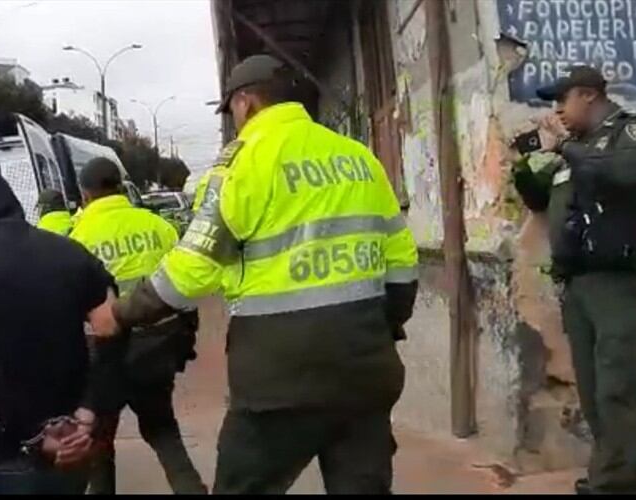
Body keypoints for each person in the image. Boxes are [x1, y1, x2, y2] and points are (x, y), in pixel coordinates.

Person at [94, 54, 420, 494]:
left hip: (278, 380)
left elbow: (193, 269)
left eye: (231, 110)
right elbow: (401, 263)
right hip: (365, 369)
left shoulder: (239, 165)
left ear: (245, 102)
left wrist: (122, 313)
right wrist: (380, 329)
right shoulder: (358, 157)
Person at [0, 168, 118, 495]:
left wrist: (34, 435)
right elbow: (111, 330)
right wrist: (88, 410)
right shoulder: (71, 254)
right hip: (70, 441)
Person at [512, 65, 636, 495]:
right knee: (593, 393)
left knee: (619, 389)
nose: (557, 110)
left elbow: (631, 172)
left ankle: (612, 484)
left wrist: (566, 147)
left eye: (563, 100)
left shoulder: (629, 133)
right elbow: (538, 196)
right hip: (579, 285)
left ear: (588, 95)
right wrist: (524, 161)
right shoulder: (574, 152)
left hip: (621, 282)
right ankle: (622, 480)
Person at [69, 158, 206, 495]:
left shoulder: (77, 238)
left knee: (100, 442)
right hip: (159, 348)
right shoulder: (159, 226)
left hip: (106, 358)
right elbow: (183, 286)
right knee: (162, 430)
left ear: (85, 195)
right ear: (121, 186)